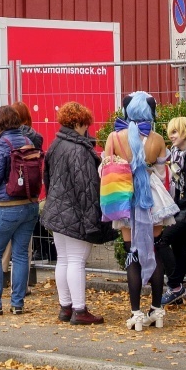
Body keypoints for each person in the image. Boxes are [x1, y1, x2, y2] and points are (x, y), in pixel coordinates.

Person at [105, 94, 170, 329]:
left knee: (132, 254)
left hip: (125, 197)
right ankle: (157, 310)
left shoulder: (114, 137)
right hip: (152, 200)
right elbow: (163, 175)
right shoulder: (158, 139)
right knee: (154, 251)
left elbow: (105, 169)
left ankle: (136, 314)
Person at [0, 104, 44, 316]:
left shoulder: (1, 143)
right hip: (30, 204)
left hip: (7, 206)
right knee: (21, 254)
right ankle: (17, 304)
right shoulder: (28, 140)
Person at [41, 102, 105, 325]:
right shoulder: (79, 149)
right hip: (75, 212)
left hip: (57, 210)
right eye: (85, 124)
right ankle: (80, 310)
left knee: (64, 260)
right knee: (77, 261)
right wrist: (92, 220)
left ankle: (65, 307)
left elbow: (47, 178)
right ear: (78, 123)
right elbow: (87, 188)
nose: (87, 128)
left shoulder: (56, 144)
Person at [156, 115, 186, 306]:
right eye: (170, 132)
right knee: (179, 245)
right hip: (180, 205)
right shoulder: (175, 153)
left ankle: (175, 286)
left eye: (175, 132)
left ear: (185, 132)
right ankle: (177, 289)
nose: (171, 136)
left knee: (162, 240)